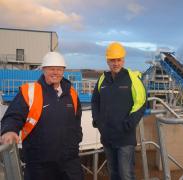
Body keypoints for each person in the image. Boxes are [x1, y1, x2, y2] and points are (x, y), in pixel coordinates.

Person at [0, 52, 84, 180]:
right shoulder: (30, 91)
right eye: (51, 69)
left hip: (69, 161)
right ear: (44, 69)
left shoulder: (71, 93)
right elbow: (13, 116)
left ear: (63, 71)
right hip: (39, 163)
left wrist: (77, 137)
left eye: (59, 69)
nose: (55, 72)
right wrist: (9, 130)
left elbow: (76, 120)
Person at [91, 42, 146, 180]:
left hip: (125, 138)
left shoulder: (132, 79)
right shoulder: (102, 79)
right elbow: (95, 101)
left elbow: (141, 102)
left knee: (126, 174)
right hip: (108, 137)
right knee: (113, 174)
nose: (115, 63)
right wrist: (98, 121)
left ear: (123, 60)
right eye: (112, 60)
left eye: (118, 60)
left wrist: (128, 125)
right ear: (107, 61)